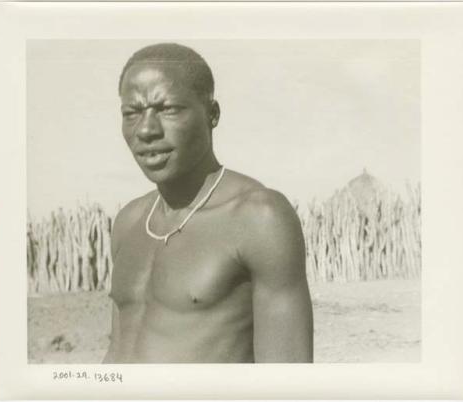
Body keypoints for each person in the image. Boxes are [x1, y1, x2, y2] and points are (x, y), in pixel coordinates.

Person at [103, 43, 313, 363]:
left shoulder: (258, 218)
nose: (145, 129)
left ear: (212, 114)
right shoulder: (129, 222)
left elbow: (287, 383)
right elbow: (117, 355)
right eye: (131, 113)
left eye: (167, 109)